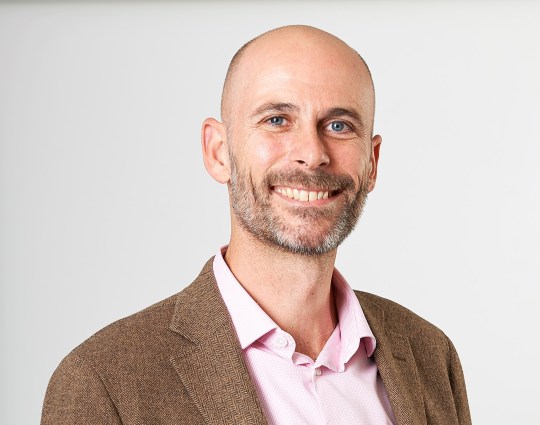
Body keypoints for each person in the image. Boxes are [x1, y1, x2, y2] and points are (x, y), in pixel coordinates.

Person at [41, 25, 471, 425]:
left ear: (372, 163)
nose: (312, 153)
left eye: (339, 125)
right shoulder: (102, 384)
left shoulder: (431, 356)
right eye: (276, 120)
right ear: (218, 151)